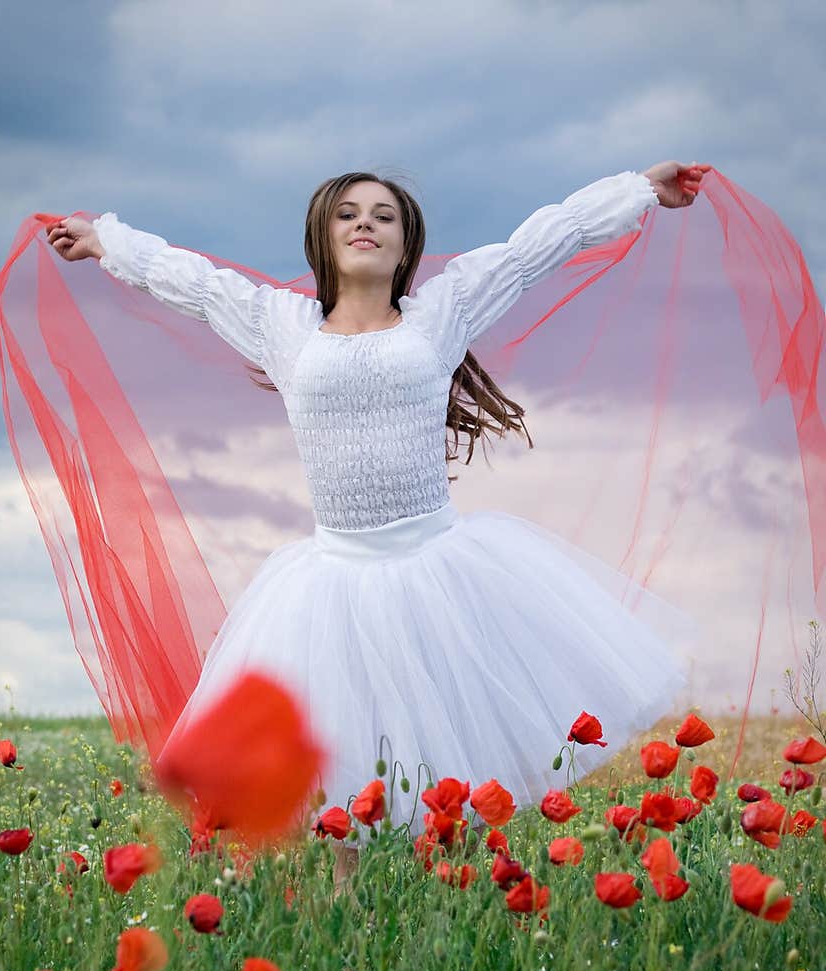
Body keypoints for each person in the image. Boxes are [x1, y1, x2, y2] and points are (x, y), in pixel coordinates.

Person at [45, 160, 705, 893]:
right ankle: (345, 909)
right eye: (348, 213)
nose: (366, 222)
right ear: (322, 242)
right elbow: (194, 284)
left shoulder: (441, 312)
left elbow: (535, 246)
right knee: (341, 764)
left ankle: (459, 895)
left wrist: (639, 190)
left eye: (384, 215)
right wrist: (106, 239)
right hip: (332, 581)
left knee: (458, 753)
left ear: (405, 244)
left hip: (440, 568)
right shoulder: (280, 325)